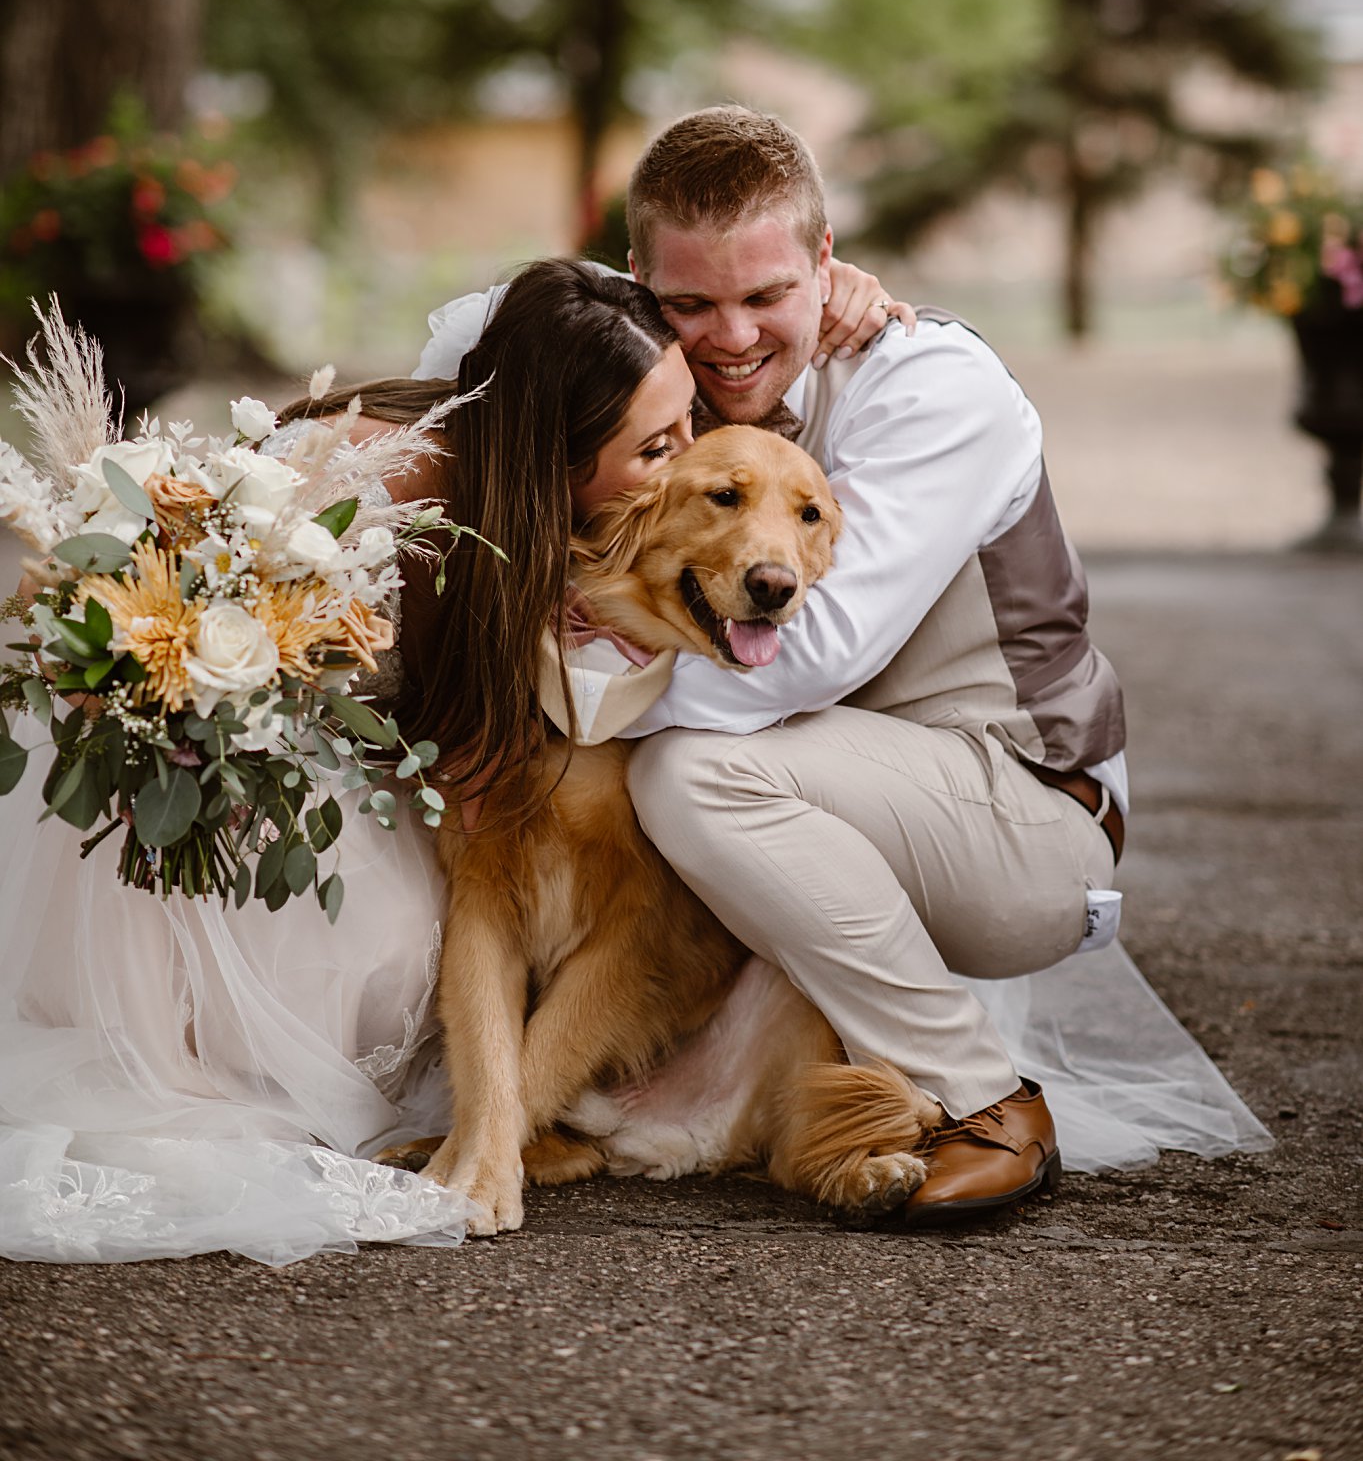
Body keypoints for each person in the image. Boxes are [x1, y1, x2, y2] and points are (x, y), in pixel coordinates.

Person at [420, 109, 1272, 1218]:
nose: (728, 336)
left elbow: (791, 660)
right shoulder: (672, 365)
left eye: (768, 293)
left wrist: (522, 692)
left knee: (688, 771)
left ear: (828, 264)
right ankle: (556, 1108)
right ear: (637, 282)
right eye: (691, 302)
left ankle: (985, 1096)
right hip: (833, 802)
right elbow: (482, 337)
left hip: (1018, 810)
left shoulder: (928, 387)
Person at [0, 255, 901, 1266]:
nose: (683, 461)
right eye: (658, 443)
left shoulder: (572, 517)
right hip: (229, 777)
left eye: (685, 423)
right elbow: (143, 587)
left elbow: (622, 296)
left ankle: (507, 1122)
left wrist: (840, 296)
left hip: (375, 765)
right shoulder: (372, 478)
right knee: (397, 932)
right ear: (563, 451)